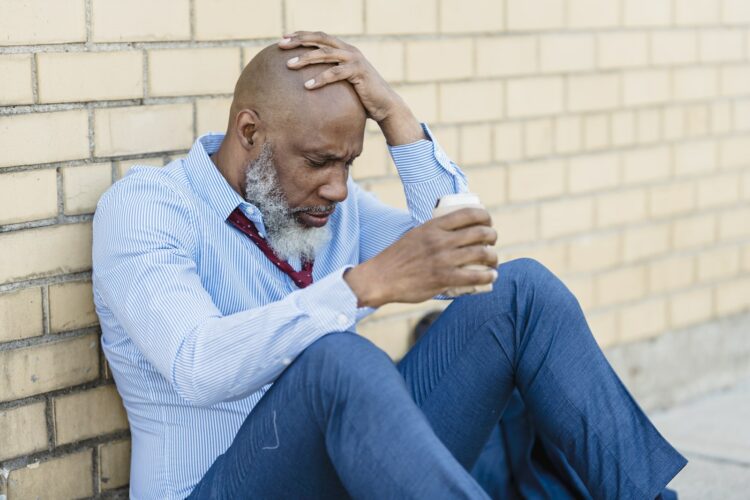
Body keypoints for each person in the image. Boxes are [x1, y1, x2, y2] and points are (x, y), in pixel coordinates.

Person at [92, 31, 686, 499]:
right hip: (219, 487)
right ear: (250, 132)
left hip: (348, 475)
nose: (339, 189)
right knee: (338, 360)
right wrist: (361, 288)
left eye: (348, 163)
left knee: (522, 294)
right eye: (321, 162)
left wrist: (398, 117)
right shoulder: (146, 210)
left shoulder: (335, 216)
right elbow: (195, 364)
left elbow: (469, 259)